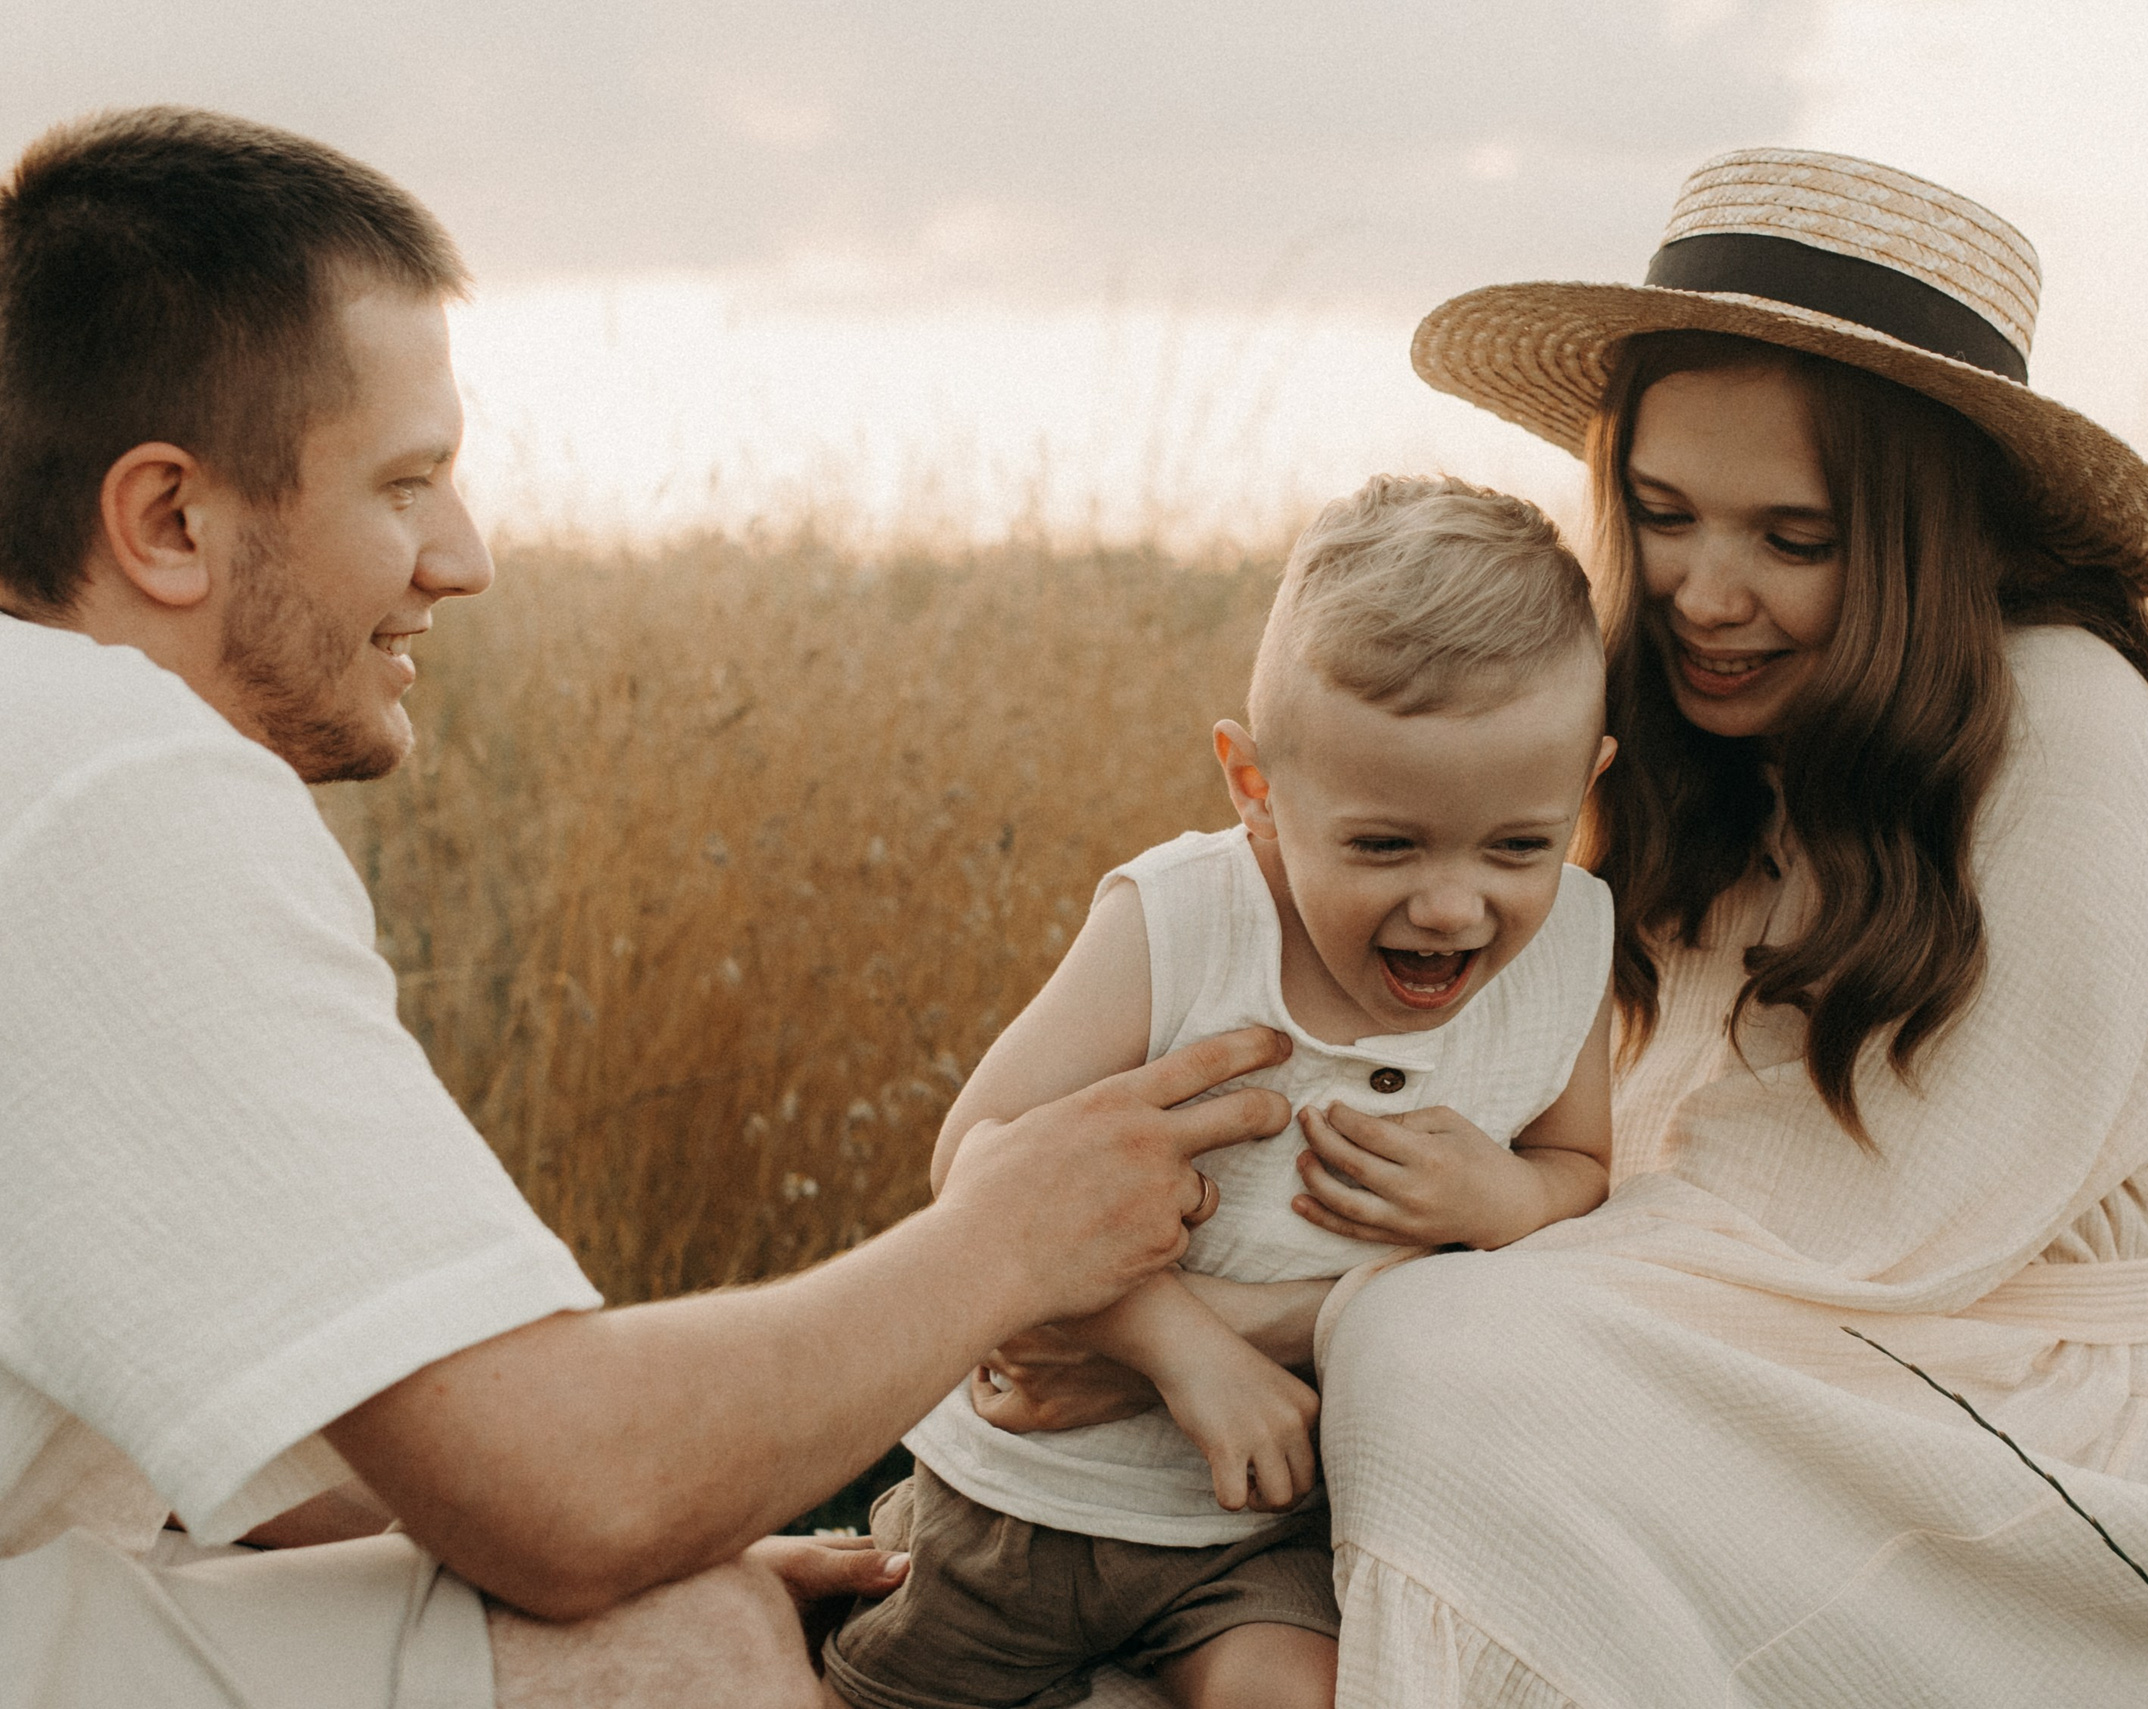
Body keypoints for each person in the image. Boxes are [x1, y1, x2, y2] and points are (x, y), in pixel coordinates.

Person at [981, 150, 2148, 1706]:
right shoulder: (1680, 734)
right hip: (1761, 1345)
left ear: (1914, 538)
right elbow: (1612, 1151)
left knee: (1434, 1359)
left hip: (2055, 1425)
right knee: (1427, 1345)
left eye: (1794, 539)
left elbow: (1835, 1236)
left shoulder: (2061, 722)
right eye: (1665, 513)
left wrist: (1228, 1330)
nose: (1703, 591)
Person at [0, 107, 1293, 1709]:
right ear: (169, 522)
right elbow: (571, 1492)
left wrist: (618, 1533)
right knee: (667, 1646)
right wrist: (1008, 1238)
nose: (462, 558)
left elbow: (345, 1413)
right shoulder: (117, 778)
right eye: (407, 485)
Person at [823, 476, 1619, 1709]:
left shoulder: (1574, 937)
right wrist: (1181, 1344)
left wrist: (1501, 1192)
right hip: (1031, 1504)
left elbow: (1583, 1169)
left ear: (1587, 781)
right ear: (1253, 785)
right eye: (1384, 845)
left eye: (1519, 843)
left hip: (1263, 1539)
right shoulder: (1187, 921)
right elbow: (976, 1158)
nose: (1455, 903)